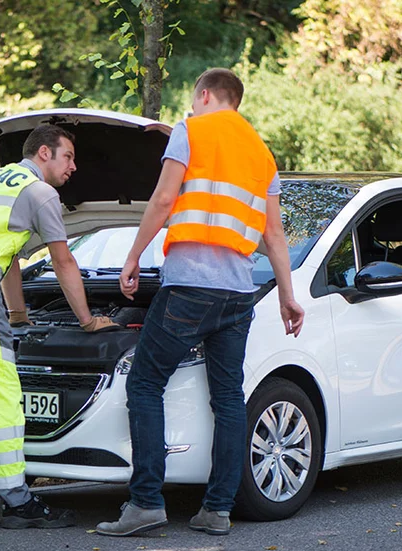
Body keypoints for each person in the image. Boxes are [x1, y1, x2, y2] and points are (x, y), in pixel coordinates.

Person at [96, 68, 305, 537]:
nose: (190, 111)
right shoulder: (261, 154)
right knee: (229, 398)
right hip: (237, 294)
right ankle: (217, 510)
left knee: (145, 383)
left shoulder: (192, 129)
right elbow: (273, 234)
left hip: (189, 286)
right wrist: (288, 297)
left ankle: (146, 501)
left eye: (193, 102)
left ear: (204, 94)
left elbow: (165, 197)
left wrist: (132, 257)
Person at [0, 124, 118, 530]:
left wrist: (19, 315)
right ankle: (17, 501)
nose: (74, 167)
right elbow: (63, 260)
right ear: (44, 153)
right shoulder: (41, 192)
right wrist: (87, 319)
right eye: (68, 156)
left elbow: (10, 256)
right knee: (2, 390)